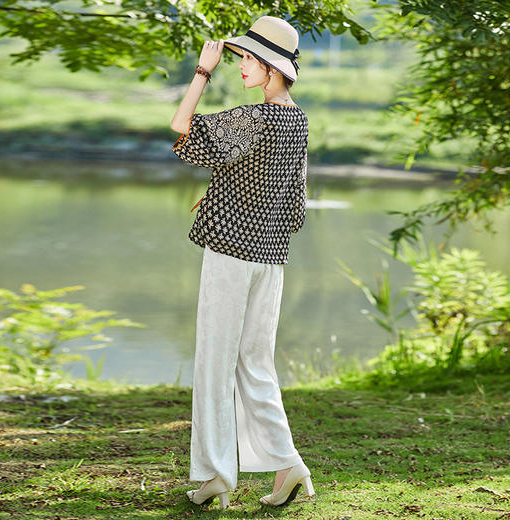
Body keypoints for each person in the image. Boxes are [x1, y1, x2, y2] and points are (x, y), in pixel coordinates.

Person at [170, 15, 313, 510]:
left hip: (231, 254)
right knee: (255, 363)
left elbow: (181, 129)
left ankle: (215, 477)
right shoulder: (298, 121)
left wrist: (201, 74)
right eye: (238, 58)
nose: (241, 66)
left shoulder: (255, 117)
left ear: (273, 68)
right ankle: (288, 464)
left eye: (248, 59)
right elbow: (295, 204)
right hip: (270, 258)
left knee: (215, 361)